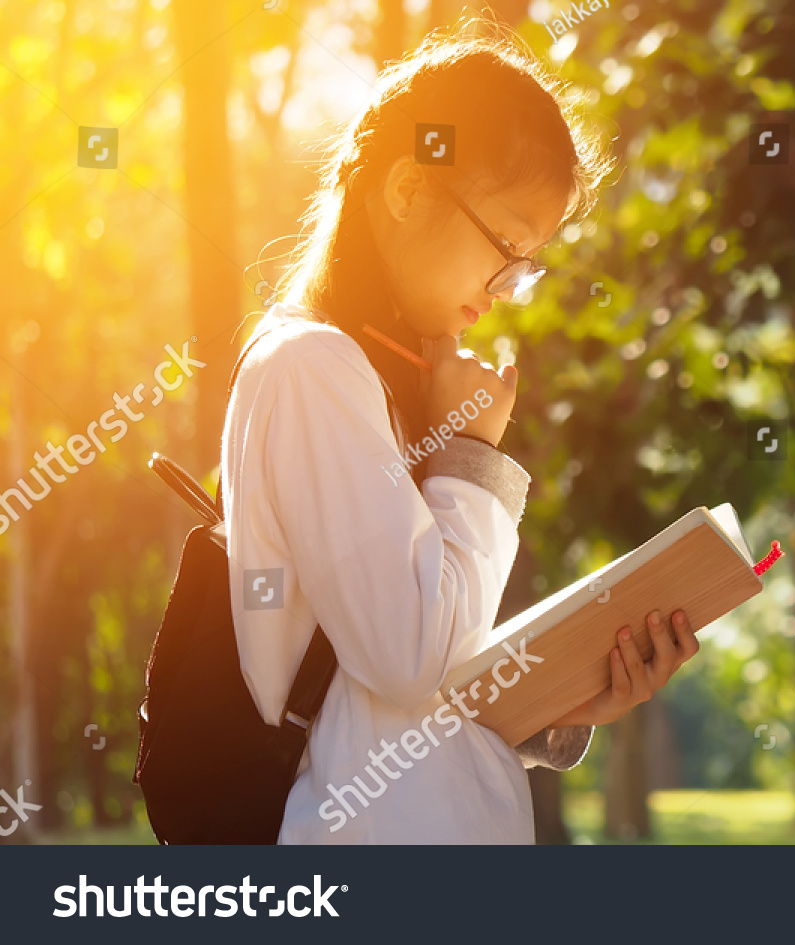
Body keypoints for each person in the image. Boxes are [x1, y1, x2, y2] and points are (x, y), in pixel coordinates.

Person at [222, 30, 699, 843]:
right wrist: (471, 458)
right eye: (507, 248)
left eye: (526, 266)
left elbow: (405, 686)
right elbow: (408, 656)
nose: (505, 291)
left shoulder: (379, 381)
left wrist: (555, 700)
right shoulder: (311, 368)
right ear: (409, 187)